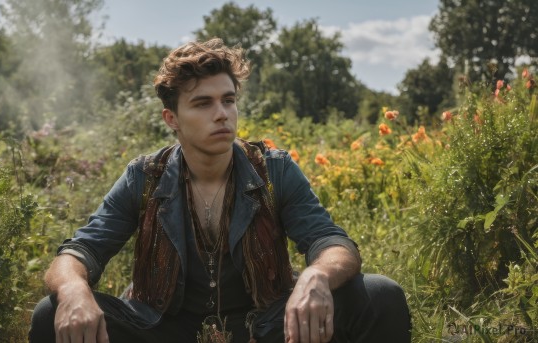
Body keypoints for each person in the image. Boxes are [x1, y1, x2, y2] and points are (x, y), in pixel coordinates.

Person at [29, 38, 411, 343]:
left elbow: (332, 242)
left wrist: (318, 277)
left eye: (228, 100)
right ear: (172, 119)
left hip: (265, 327)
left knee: (380, 296)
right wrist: (74, 289)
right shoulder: (144, 177)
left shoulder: (274, 168)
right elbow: (81, 251)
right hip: (164, 330)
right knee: (51, 313)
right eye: (203, 103)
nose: (222, 113)